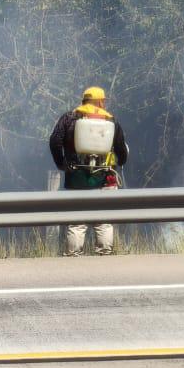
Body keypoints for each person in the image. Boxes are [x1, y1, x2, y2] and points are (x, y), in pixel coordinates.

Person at [49, 86, 129, 256]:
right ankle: (104, 254)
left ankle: (74, 254)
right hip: (105, 177)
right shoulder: (111, 120)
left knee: (77, 222)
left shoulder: (69, 118)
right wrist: (121, 161)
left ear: (84, 101)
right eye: (103, 101)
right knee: (104, 221)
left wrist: (61, 163)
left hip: (76, 177)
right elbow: (121, 148)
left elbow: (55, 141)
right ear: (100, 102)